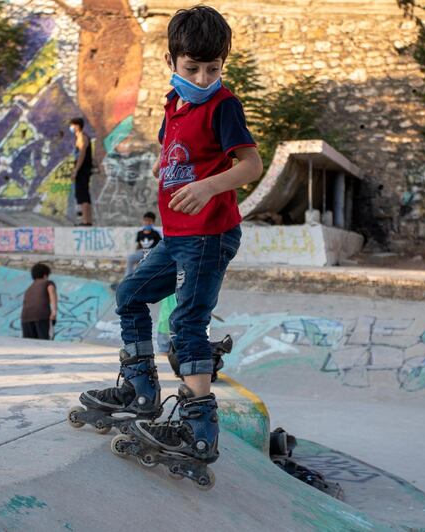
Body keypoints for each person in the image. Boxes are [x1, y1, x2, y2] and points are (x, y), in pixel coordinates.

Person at [76, 5, 263, 475]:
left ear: (223, 64)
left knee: (187, 324)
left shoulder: (224, 106)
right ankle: (140, 390)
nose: (202, 78)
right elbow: (175, 150)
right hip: (176, 236)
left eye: (213, 68)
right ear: (171, 62)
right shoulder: (172, 106)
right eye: (192, 68)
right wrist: (166, 166)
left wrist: (207, 186)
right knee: (130, 295)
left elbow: (250, 165)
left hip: (209, 234)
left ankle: (199, 430)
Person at [21, 262, 58, 340]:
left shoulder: (29, 288)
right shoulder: (48, 283)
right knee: (44, 342)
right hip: (41, 316)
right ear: (45, 275)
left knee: (29, 344)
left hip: (25, 317)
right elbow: (52, 294)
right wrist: (54, 312)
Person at [69, 117, 93, 226]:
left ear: (77, 126)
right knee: (83, 194)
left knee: (82, 194)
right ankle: (86, 220)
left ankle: (86, 220)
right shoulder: (80, 137)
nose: (71, 128)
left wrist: (76, 170)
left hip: (82, 169)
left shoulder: (82, 138)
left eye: (72, 125)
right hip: (83, 168)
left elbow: (82, 155)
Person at [126, 212, 162, 277]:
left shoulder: (155, 233)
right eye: (146, 220)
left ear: (153, 222)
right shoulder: (139, 233)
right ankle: (128, 277)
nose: (147, 222)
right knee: (130, 258)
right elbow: (138, 245)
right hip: (141, 252)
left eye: (150, 221)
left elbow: (159, 246)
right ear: (143, 221)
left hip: (151, 253)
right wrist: (136, 253)